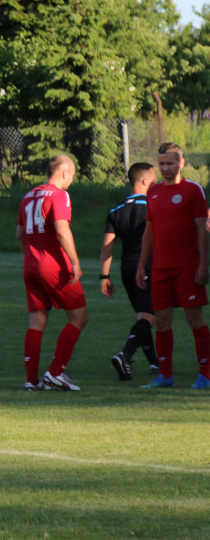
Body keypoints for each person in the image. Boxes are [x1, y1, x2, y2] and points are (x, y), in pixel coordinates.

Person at [136, 142, 210, 389]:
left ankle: (206, 374)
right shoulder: (153, 192)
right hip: (160, 269)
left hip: (188, 267)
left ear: (181, 163)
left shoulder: (193, 190)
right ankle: (165, 375)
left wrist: (203, 265)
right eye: (162, 164)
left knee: (195, 320)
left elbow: (203, 230)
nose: (166, 168)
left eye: (170, 163)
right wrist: (141, 265)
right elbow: (149, 231)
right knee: (163, 321)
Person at [17, 154, 88, 391]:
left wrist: (31, 255)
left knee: (36, 321)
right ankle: (56, 372)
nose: (72, 180)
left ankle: (31, 379)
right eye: (73, 175)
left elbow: (20, 235)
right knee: (79, 317)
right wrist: (74, 261)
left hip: (31, 265)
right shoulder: (60, 195)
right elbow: (61, 229)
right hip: (54, 267)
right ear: (65, 173)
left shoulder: (28, 196)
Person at [99, 162, 159, 380]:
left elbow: (108, 245)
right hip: (148, 266)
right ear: (144, 181)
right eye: (154, 179)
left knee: (142, 315)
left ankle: (154, 364)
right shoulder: (154, 206)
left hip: (126, 268)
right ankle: (124, 355)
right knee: (148, 317)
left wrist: (104, 276)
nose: (156, 183)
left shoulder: (116, 211)